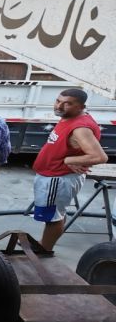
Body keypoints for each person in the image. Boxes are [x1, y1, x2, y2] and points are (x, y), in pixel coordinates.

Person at [32, 89, 107, 253]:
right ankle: (44, 243)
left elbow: (100, 156)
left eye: (67, 103)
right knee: (56, 214)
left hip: (57, 178)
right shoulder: (70, 118)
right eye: (58, 101)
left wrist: (69, 160)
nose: (60, 106)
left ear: (81, 106)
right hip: (53, 175)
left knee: (53, 217)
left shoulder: (80, 128)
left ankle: (44, 250)